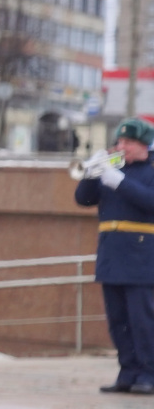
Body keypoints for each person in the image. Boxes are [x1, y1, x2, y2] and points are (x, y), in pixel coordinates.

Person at [74, 117, 154, 394]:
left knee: (143, 321)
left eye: (128, 142)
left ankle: (148, 374)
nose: (122, 147)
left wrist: (119, 182)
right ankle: (127, 371)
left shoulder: (149, 170)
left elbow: (149, 202)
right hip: (112, 256)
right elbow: (83, 199)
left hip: (143, 257)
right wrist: (91, 173)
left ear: (144, 145)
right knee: (118, 321)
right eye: (120, 141)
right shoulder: (112, 169)